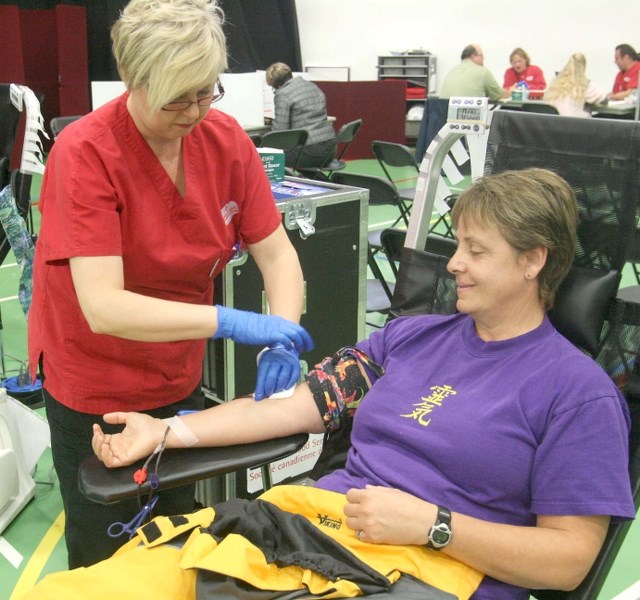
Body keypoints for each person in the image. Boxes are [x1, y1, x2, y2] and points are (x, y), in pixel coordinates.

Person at [23, 168, 635, 600]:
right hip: (309, 530)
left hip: (425, 569)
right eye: (458, 245)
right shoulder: (410, 337)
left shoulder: (577, 393)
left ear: (533, 261)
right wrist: (167, 430)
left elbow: (569, 559)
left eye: (477, 250)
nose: (453, 264)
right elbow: (296, 405)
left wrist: (433, 524)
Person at [27, 0, 313, 569]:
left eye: (207, 92)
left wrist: (283, 330)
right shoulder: (85, 153)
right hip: (95, 376)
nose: (194, 111)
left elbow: (278, 254)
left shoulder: (224, 138)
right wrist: (230, 322)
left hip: (174, 370)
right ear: (132, 80)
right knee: (107, 551)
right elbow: (104, 306)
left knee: (173, 531)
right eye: (177, 97)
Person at [265, 62, 336, 170]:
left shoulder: (283, 94)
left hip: (310, 151)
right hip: (331, 148)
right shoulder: (312, 86)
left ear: (276, 84)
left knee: (267, 158)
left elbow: (279, 132)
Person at [544, 53, 608, 117]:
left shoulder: (555, 83)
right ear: (584, 67)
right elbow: (604, 100)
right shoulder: (586, 86)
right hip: (578, 125)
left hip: (555, 125)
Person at [440, 44, 509, 101]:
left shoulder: (452, 70)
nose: (483, 58)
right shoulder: (483, 71)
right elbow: (500, 95)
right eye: (481, 55)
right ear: (473, 56)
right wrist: (512, 91)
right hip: (468, 115)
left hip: (443, 116)